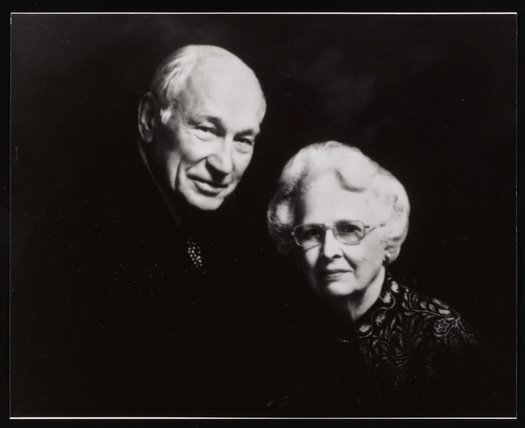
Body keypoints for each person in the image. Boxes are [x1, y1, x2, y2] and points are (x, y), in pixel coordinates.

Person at [11, 45, 267, 416]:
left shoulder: (190, 206)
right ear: (149, 119)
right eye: (206, 129)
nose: (225, 165)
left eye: (243, 140)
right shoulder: (94, 227)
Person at [266, 141, 483, 416]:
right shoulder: (287, 336)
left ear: (387, 237)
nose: (329, 251)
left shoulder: (441, 336)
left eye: (349, 229)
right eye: (311, 233)